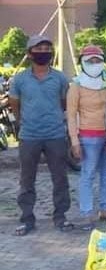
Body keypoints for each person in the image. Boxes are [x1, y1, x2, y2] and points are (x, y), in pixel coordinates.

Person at [9, 34, 74, 235]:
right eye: (38, 50)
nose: (43, 53)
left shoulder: (60, 78)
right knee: (27, 179)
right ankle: (27, 219)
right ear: (29, 54)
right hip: (29, 136)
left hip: (55, 135)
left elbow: (65, 104)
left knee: (60, 179)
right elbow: (15, 105)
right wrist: (22, 124)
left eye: (47, 49)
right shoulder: (19, 79)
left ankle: (60, 217)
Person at [67, 45, 106, 230]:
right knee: (87, 174)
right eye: (90, 61)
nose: (95, 64)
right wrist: (74, 141)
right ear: (82, 63)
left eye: (98, 60)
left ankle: (105, 208)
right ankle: (86, 213)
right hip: (88, 136)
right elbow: (71, 115)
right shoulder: (76, 86)